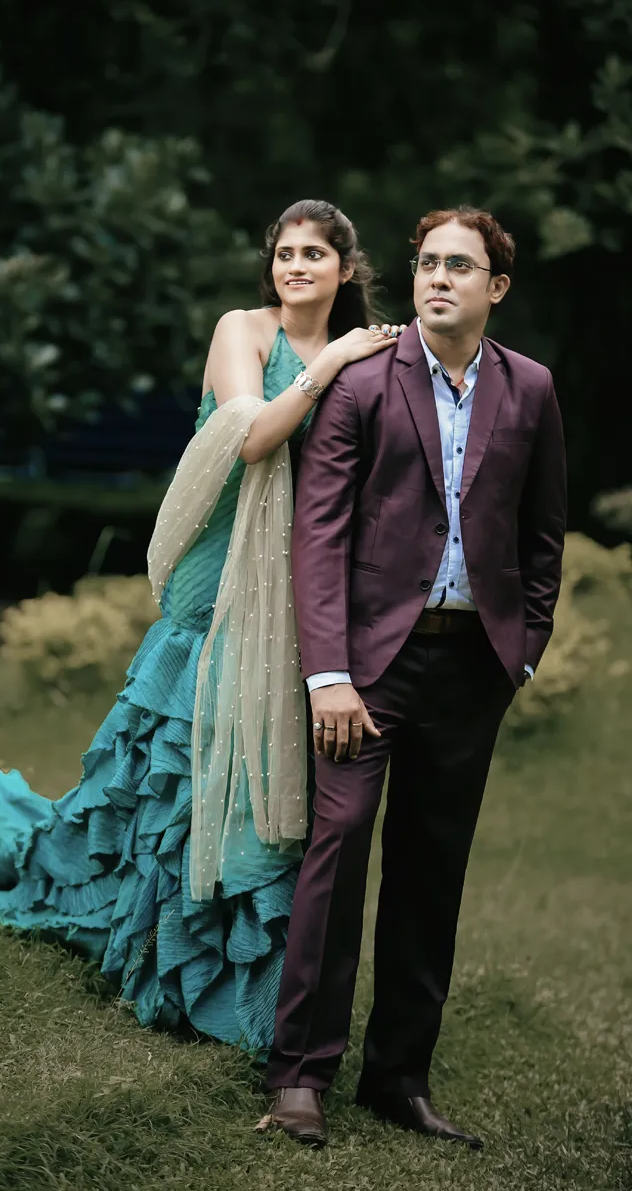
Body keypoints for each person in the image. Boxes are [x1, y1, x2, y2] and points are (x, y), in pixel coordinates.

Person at [0, 200, 402, 1054]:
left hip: (297, 585)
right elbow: (249, 436)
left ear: (345, 268)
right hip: (221, 571)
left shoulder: (363, 355)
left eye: (313, 254)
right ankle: (149, 927)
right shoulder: (245, 331)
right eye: (284, 253)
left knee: (257, 758)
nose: (295, 267)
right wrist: (334, 363)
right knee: (181, 749)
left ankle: (239, 954)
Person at [260, 205, 567, 1149]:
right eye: (428, 262)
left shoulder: (531, 388)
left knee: (433, 872)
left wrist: (521, 650)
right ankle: (301, 1076)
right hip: (365, 671)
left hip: (472, 668)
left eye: (459, 266)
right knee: (338, 853)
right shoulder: (362, 382)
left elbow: (543, 534)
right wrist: (328, 676)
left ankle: (398, 1079)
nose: (437, 277)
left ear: (495, 287)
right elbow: (319, 534)